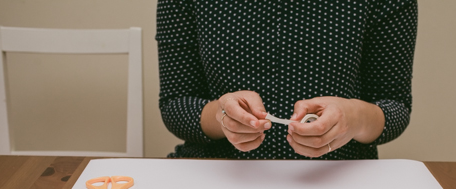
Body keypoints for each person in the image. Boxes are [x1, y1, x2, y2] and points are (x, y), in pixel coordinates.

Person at [156, 0, 418, 160]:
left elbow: (394, 105)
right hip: (217, 172)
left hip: (338, 176)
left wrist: (355, 117)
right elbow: (175, 103)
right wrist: (222, 115)